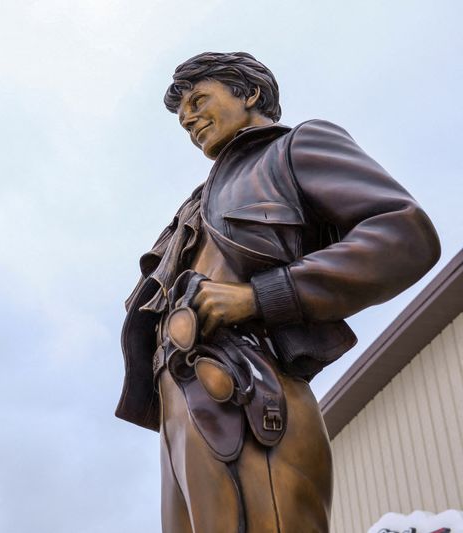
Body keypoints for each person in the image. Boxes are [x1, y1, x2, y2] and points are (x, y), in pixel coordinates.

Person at [115, 52, 440, 533]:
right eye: (183, 117)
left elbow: (404, 233)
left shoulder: (294, 147)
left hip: (248, 388)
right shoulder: (196, 203)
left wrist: (259, 296)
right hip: (178, 407)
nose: (189, 119)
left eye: (199, 100)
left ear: (249, 94)